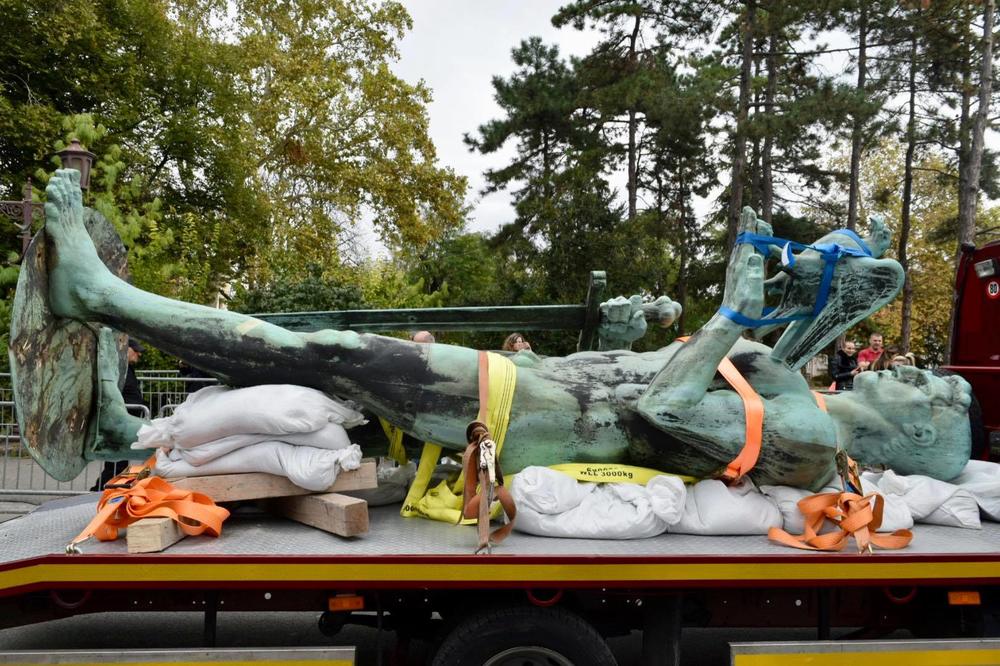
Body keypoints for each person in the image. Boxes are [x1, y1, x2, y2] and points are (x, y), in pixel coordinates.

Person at [40, 170, 973, 491]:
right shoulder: (810, 407)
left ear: (917, 433)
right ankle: (131, 434)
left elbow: (664, 408)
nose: (921, 373)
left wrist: (729, 314)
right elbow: (775, 350)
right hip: (539, 393)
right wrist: (830, 286)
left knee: (326, 353)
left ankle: (98, 296)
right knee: (324, 368)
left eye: (928, 391)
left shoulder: (812, 444)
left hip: (529, 411)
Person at [90, 337, 147, 490]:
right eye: (136, 351)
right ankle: (101, 489)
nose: (139, 354)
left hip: (125, 420)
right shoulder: (118, 370)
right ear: (125, 350)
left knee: (119, 459)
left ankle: (107, 488)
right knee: (117, 460)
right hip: (120, 422)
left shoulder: (126, 369)